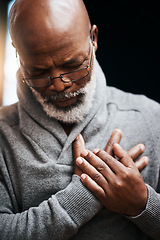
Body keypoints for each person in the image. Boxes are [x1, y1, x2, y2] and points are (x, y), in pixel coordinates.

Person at [0, 0, 160, 239]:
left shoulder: (151, 117)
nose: (59, 84)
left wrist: (143, 204)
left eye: (73, 65)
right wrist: (84, 195)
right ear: (17, 53)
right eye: (39, 72)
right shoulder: (3, 134)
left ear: (93, 38)